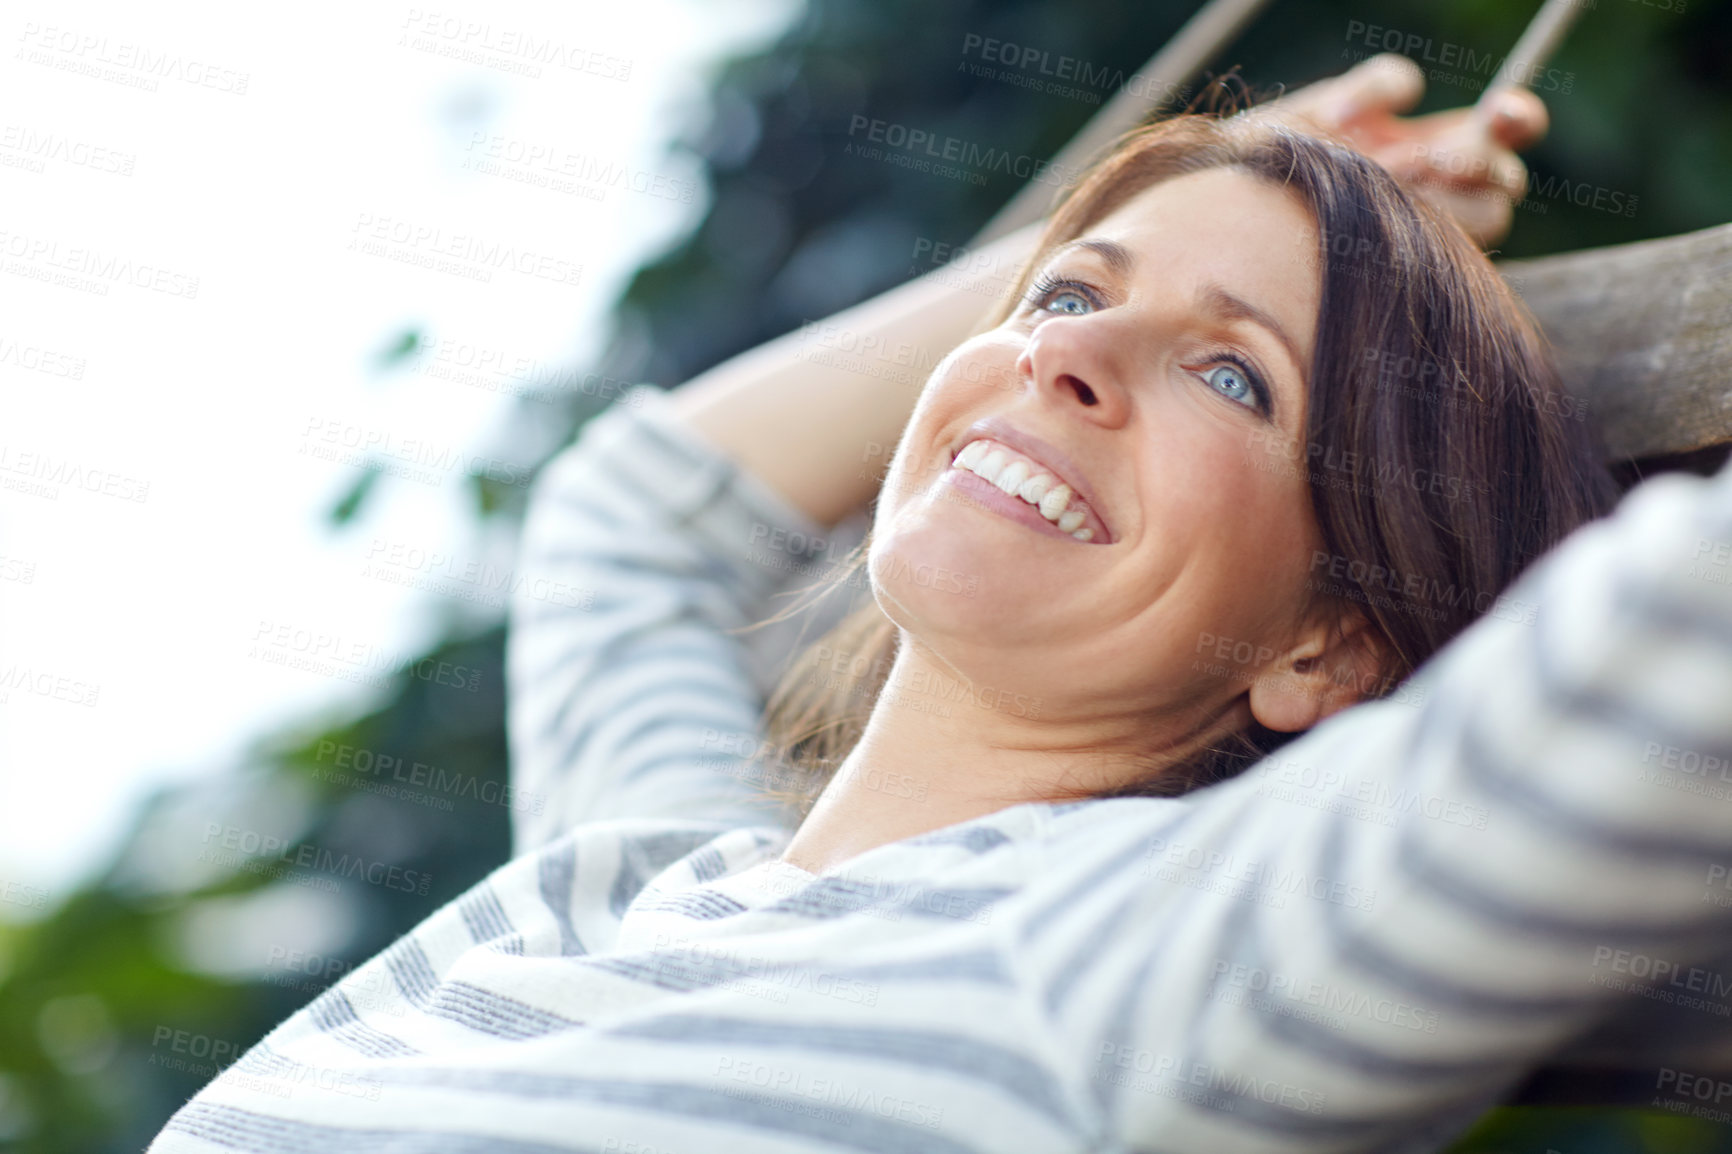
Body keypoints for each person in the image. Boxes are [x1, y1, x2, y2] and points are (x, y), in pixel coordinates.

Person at [149, 55, 1732, 1153]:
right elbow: (633, 515)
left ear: (1328, 645)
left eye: (1234, 374)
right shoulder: (639, 874)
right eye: (1067, 294)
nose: (1063, 355)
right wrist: (1268, 168)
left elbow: (1665, 651)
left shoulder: (1148, 964)